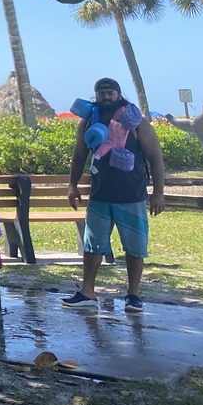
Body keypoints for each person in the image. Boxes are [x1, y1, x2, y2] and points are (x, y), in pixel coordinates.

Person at [64, 77, 166, 313]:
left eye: (110, 93)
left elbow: (155, 158)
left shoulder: (136, 122)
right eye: (101, 94)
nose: (106, 97)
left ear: (119, 94)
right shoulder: (89, 122)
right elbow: (79, 156)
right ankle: (87, 292)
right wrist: (72, 185)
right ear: (95, 97)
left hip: (132, 196)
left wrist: (158, 193)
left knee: (134, 247)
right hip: (100, 195)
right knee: (92, 246)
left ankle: (133, 295)